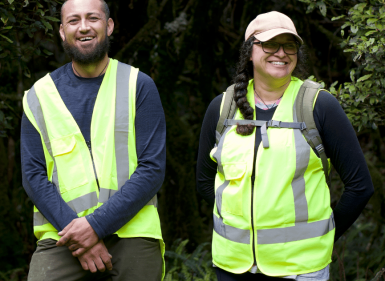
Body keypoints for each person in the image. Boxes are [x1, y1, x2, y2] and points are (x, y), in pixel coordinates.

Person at [196, 11, 373, 281]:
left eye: (289, 45)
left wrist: (322, 237)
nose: (281, 52)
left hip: (301, 270)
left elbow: (360, 186)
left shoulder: (318, 105)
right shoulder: (222, 107)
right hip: (232, 267)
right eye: (270, 44)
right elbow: (204, 181)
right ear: (250, 51)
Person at [21, 0, 165, 280]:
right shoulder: (38, 96)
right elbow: (33, 176)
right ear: (62, 31)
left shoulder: (139, 85)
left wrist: (95, 226)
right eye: (73, 21)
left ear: (109, 26)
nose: (84, 27)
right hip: (61, 233)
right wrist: (79, 233)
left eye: (93, 18)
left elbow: (152, 168)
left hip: (132, 230)